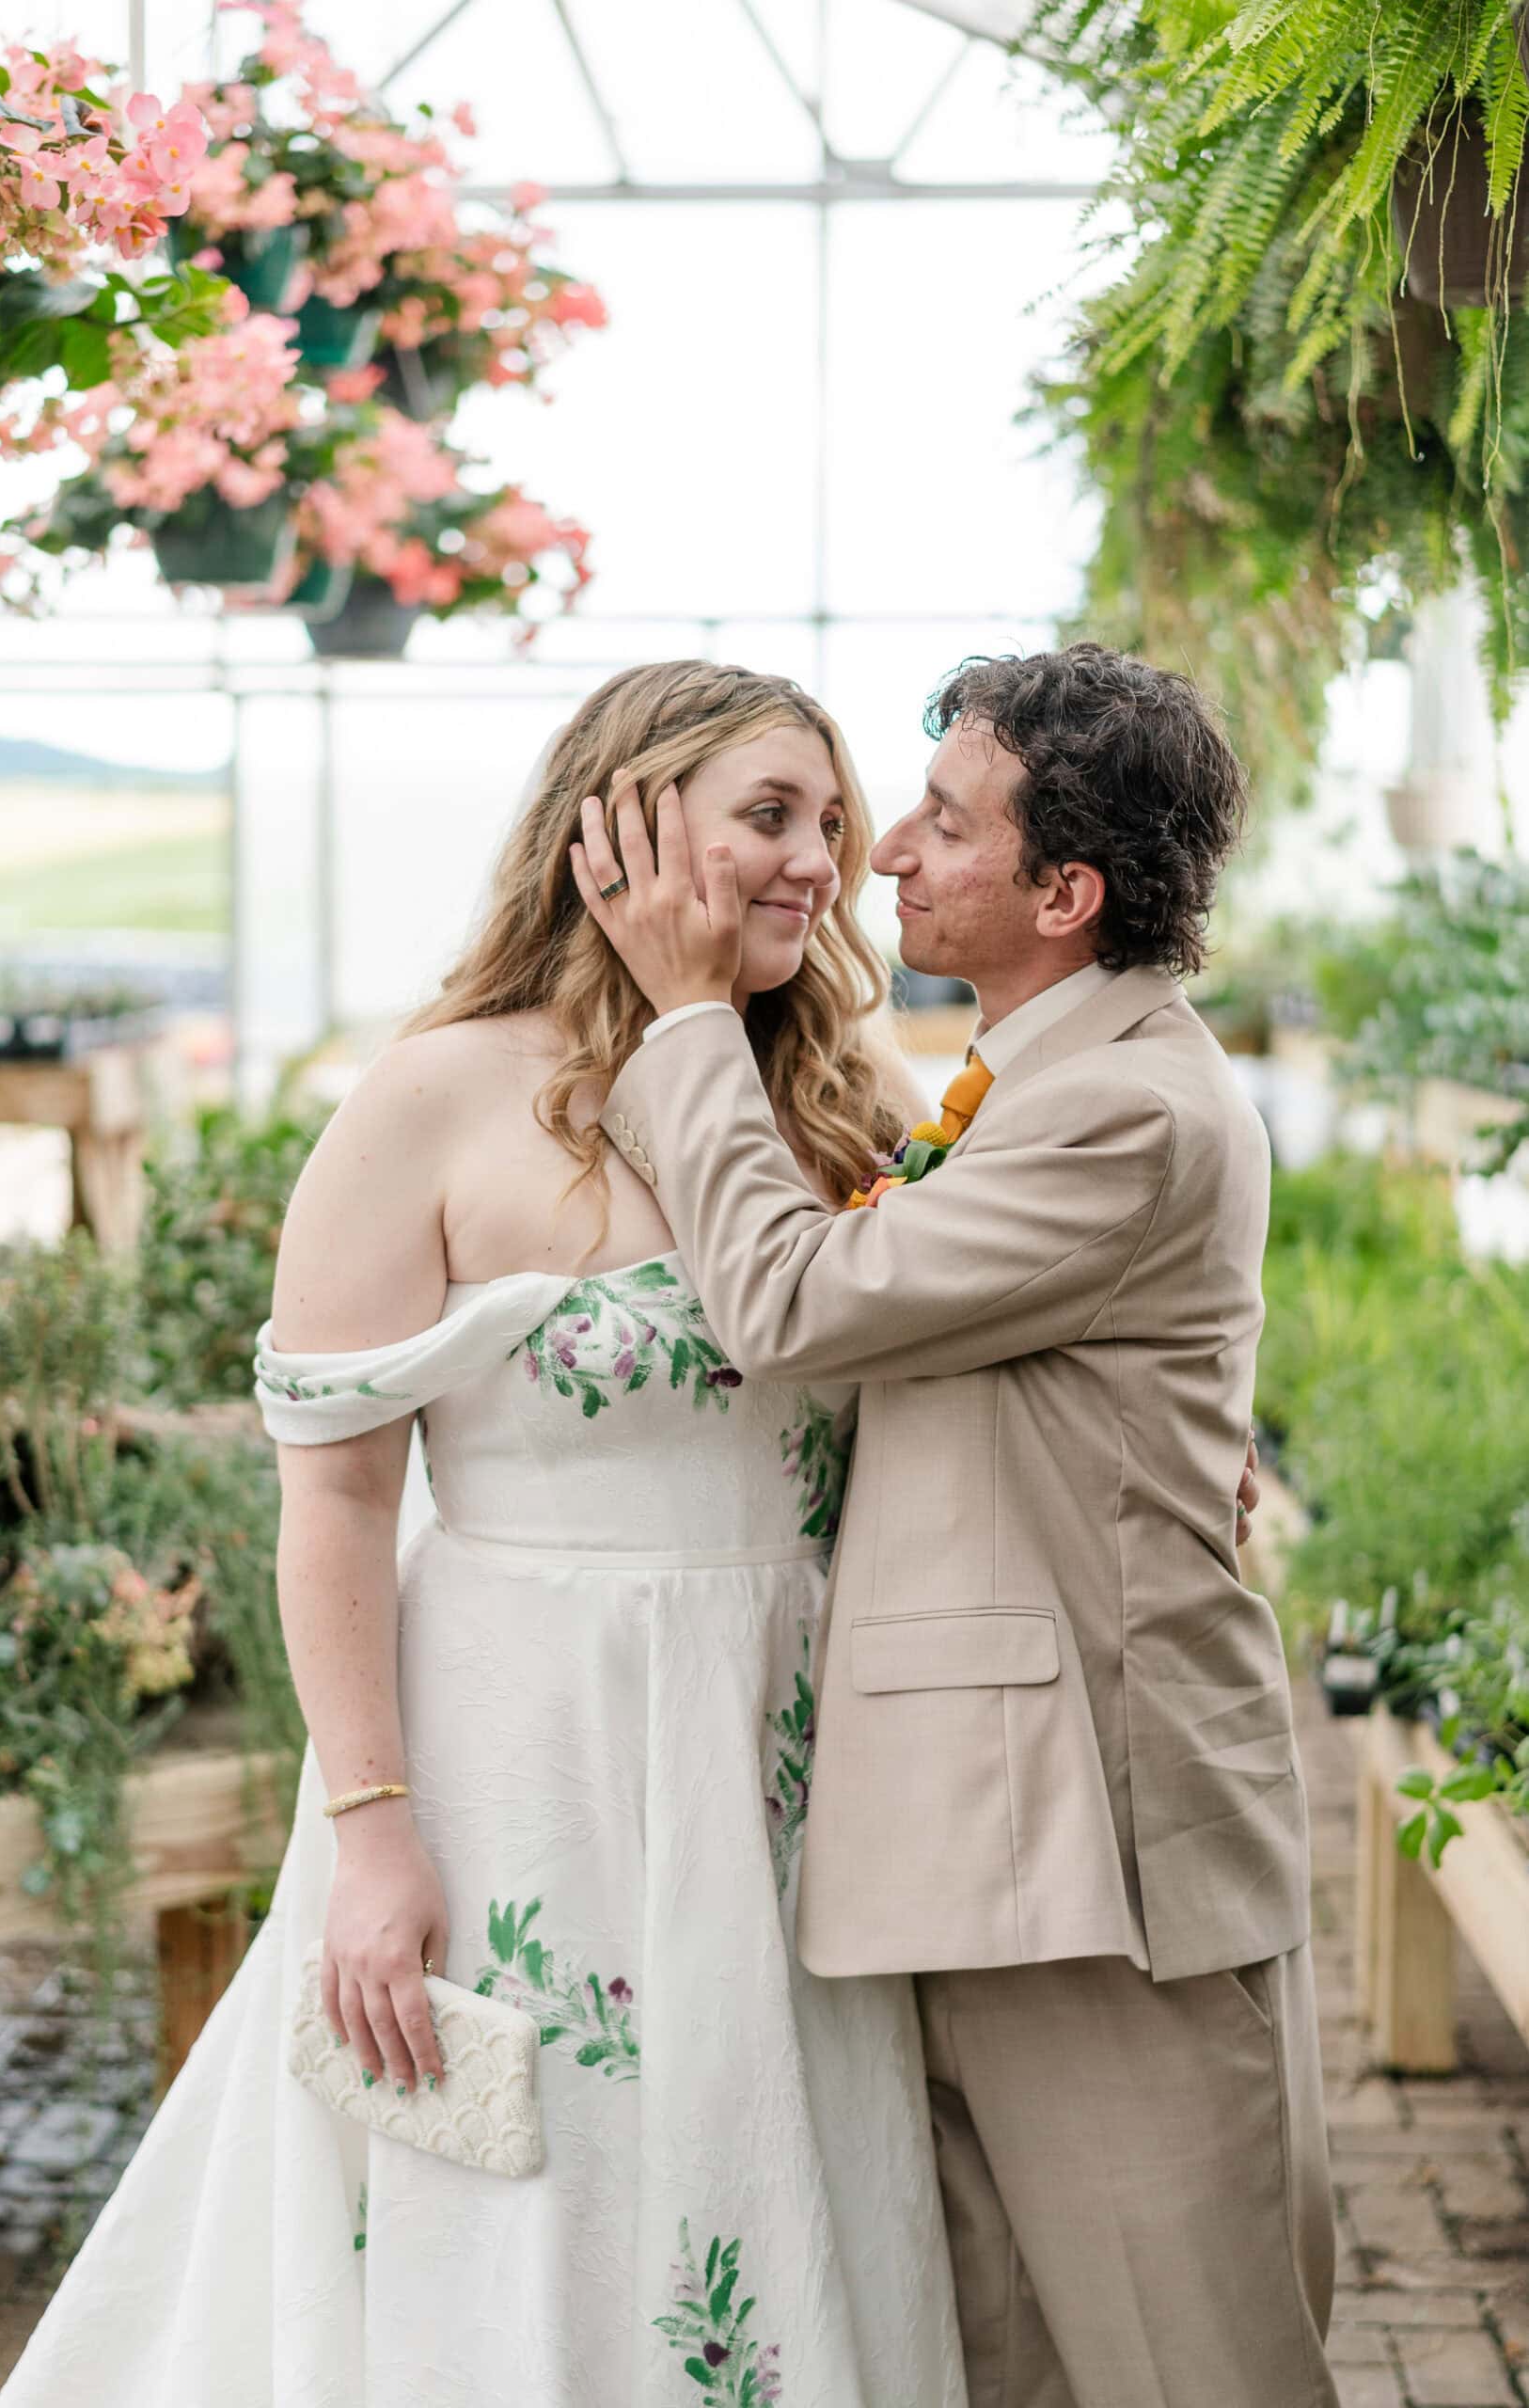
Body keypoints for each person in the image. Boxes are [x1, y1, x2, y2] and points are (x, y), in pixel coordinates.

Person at [0, 661, 974, 2408]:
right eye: (769, 816)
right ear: (615, 829)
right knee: (521, 2189)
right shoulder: (433, 1100)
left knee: (777, 2168)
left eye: (830, 820)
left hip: (788, 1753)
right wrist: (374, 1839)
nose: (821, 860)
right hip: (519, 1749)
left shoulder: (850, 1099)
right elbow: (340, 1499)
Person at [574, 642, 1336, 2408]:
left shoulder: (1125, 1106)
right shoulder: (1029, 1079)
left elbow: (790, 1304)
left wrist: (689, 1017)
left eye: (941, 820)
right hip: (991, 1843)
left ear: (1067, 891)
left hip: (1095, 1858)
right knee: (1008, 2367)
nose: (882, 856)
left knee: (1190, 2368)